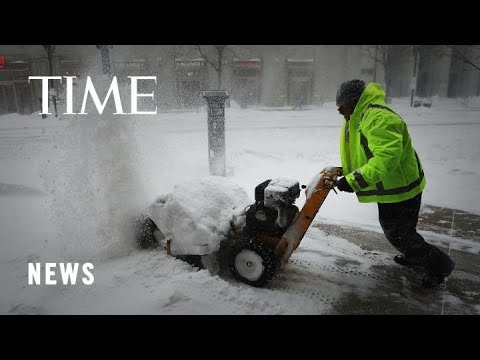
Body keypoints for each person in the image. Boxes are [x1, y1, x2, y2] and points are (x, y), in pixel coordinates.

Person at [334, 79, 455, 289]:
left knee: (399, 234)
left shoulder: (378, 118)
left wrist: (354, 181)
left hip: (400, 187)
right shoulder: (360, 115)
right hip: (391, 186)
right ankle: (413, 255)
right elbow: (364, 150)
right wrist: (348, 172)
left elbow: (386, 158)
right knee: (402, 231)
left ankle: (439, 266)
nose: (340, 112)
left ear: (353, 101)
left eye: (342, 106)